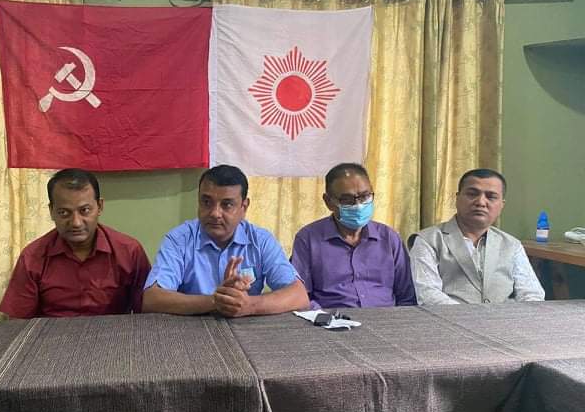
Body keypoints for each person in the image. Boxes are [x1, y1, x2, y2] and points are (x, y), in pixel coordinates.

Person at [142, 165, 309, 317]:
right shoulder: (179, 240)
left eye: (227, 204)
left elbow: (299, 295)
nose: (215, 213)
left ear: (244, 207)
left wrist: (249, 305)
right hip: (190, 330)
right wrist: (216, 301)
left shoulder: (260, 240)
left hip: (247, 329)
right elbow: (152, 299)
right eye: (206, 202)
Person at [0, 169, 151, 318]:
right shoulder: (32, 257)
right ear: (51, 211)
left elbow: (147, 311)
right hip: (52, 333)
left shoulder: (129, 251)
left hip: (114, 332)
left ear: (100, 206)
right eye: (64, 213)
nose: (76, 223)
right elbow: (17, 323)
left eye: (85, 210)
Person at [410, 168, 544, 305]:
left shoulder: (511, 245)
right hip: (447, 317)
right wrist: (473, 316)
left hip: (506, 317)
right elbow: (429, 296)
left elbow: (532, 293)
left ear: (501, 205)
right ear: (457, 198)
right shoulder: (428, 240)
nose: (481, 202)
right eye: (472, 194)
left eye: (491, 197)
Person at [291, 163, 416, 309]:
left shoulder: (389, 238)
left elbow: (407, 297)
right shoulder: (308, 239)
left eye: (364, 196)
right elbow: (300, 296)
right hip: (332, 318)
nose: (358, 205)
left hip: (387, 318)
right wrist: (324, 318)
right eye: (347, 200)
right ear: (328, 202)